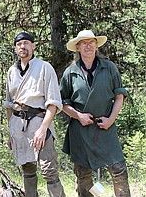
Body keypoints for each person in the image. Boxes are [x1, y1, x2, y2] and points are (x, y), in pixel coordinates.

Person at [60, 30, 131, 197]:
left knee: (119, 170)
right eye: (83, 43)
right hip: (81, 130)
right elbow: (63, 103)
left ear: (96, 45)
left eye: (91, 42)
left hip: (105, 127)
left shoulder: (109, 68)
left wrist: (111, 120)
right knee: (83, 174)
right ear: (77, 47)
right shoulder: (70, 73)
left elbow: (119, 96)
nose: (88, 46)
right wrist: (79, 116)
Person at [4, 32, 66, 197]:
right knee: (28, 169)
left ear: (33, 46)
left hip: (39, 121)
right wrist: (11, 132)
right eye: (19, 44)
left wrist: (43, 129)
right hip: (18, 124)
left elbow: (53, 103)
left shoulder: (44, 67)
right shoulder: (12, 71)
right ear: (15, 48)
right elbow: (9, 104)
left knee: (49, 171)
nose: (22, 47)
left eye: (26, 43)